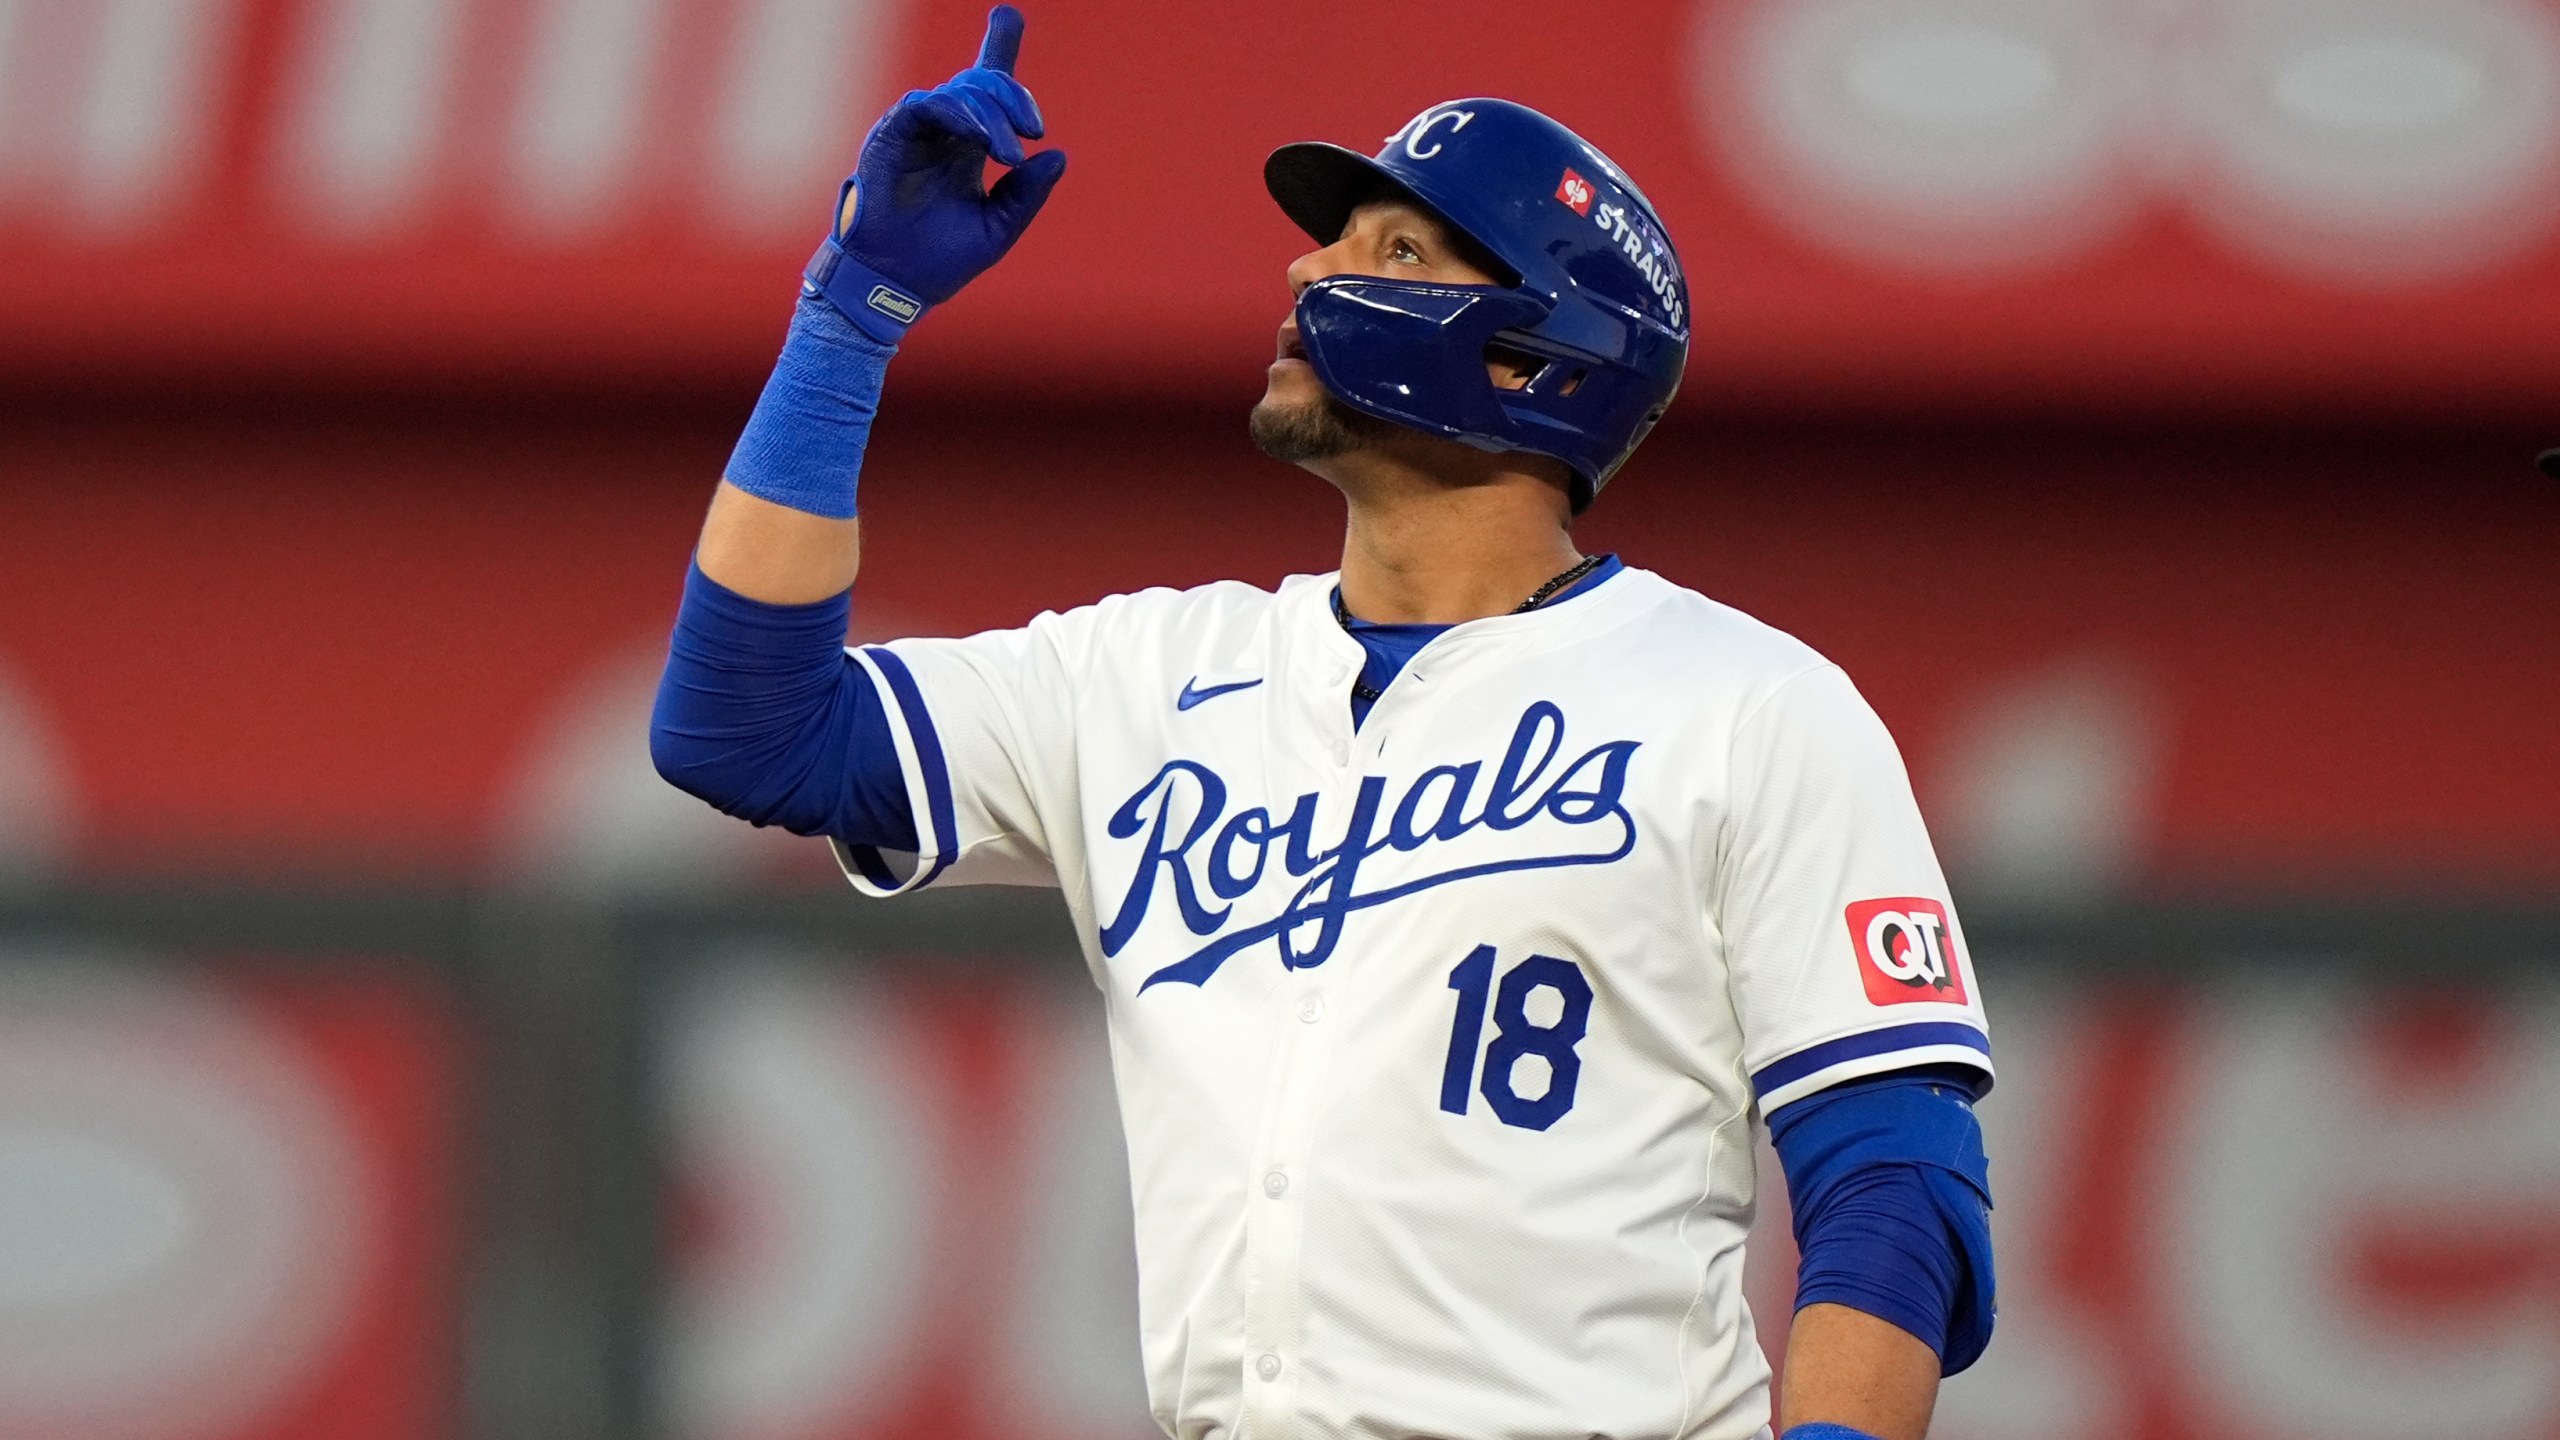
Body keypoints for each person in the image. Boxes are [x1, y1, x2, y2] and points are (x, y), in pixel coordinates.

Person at [651, 8, 1996, 1439]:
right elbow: (747, 730)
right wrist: (850, 312)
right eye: (1336, 236)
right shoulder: (1150, 674)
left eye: (1398, 251)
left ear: (1541, 359)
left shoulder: (1751, 709)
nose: (1310, 265)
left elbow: (1895, 1178)